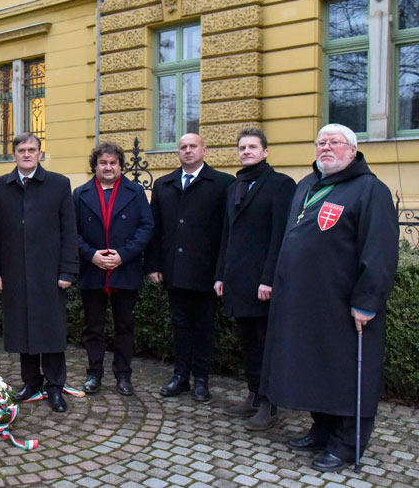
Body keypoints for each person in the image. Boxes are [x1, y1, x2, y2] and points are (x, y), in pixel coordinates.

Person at [260, 123, 398, 472]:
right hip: (306, 304)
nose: (326, 148)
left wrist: (367, 301)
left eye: (335, 143)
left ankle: (346, 445)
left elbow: (379, 253)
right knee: (315, 371)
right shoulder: (308, 185)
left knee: (348, 375)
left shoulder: (370, 190)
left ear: (352, 150)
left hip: (345, 306)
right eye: (321, 142)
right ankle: (321, 430)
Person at [0, 133, 78, 413]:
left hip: (49, 271)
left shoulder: (59, 184)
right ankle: (31, 382)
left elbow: (69, 231)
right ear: (13, 154)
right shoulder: (0, 187)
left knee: (50, 330)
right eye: (21, 150)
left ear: (40, 153)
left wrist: (68, 270)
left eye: (32, 150)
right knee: (22, 329)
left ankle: (54, 386)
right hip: (14, 271)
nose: (27, 154)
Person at [213, 128, 296, 429]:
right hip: (236, 281)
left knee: (265, 344)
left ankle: (269, 404)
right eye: (242, 147)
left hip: (263, 283)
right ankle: (253, 394)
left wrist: (269, 279)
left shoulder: (280, 185)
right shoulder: (235, 186)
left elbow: (280, 236)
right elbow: (227, 235)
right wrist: (220, 274)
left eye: (252, 147)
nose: (246, 151)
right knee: (247, 343)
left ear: (265, 151)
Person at [144, 132, 234, 402]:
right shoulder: (163, 184)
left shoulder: (223, 184)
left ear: (204, 150)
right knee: (180, 325)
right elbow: (155, 228)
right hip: (174, 270)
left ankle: (202, 380)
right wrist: (154, 265)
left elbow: (227, 233)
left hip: (206, 272)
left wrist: (222, 272)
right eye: (183, 147)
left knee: (205, 326)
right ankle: (181, 376)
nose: (188, 151)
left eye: (193, 146)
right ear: (178, 153)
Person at [73, 142, 153, 396]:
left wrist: (124, 255)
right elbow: (70, 231)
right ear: (95, 166)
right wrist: (91, 255)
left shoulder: (135, 192)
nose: (108, 167)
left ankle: (123, 375)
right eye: (103, 163)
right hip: (92, 268)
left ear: (120, 165)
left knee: (124, 326)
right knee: (93, 327)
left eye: (113, 163)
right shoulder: (80, 194)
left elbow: (146, 227)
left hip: (124, 269)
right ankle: (94, 373)